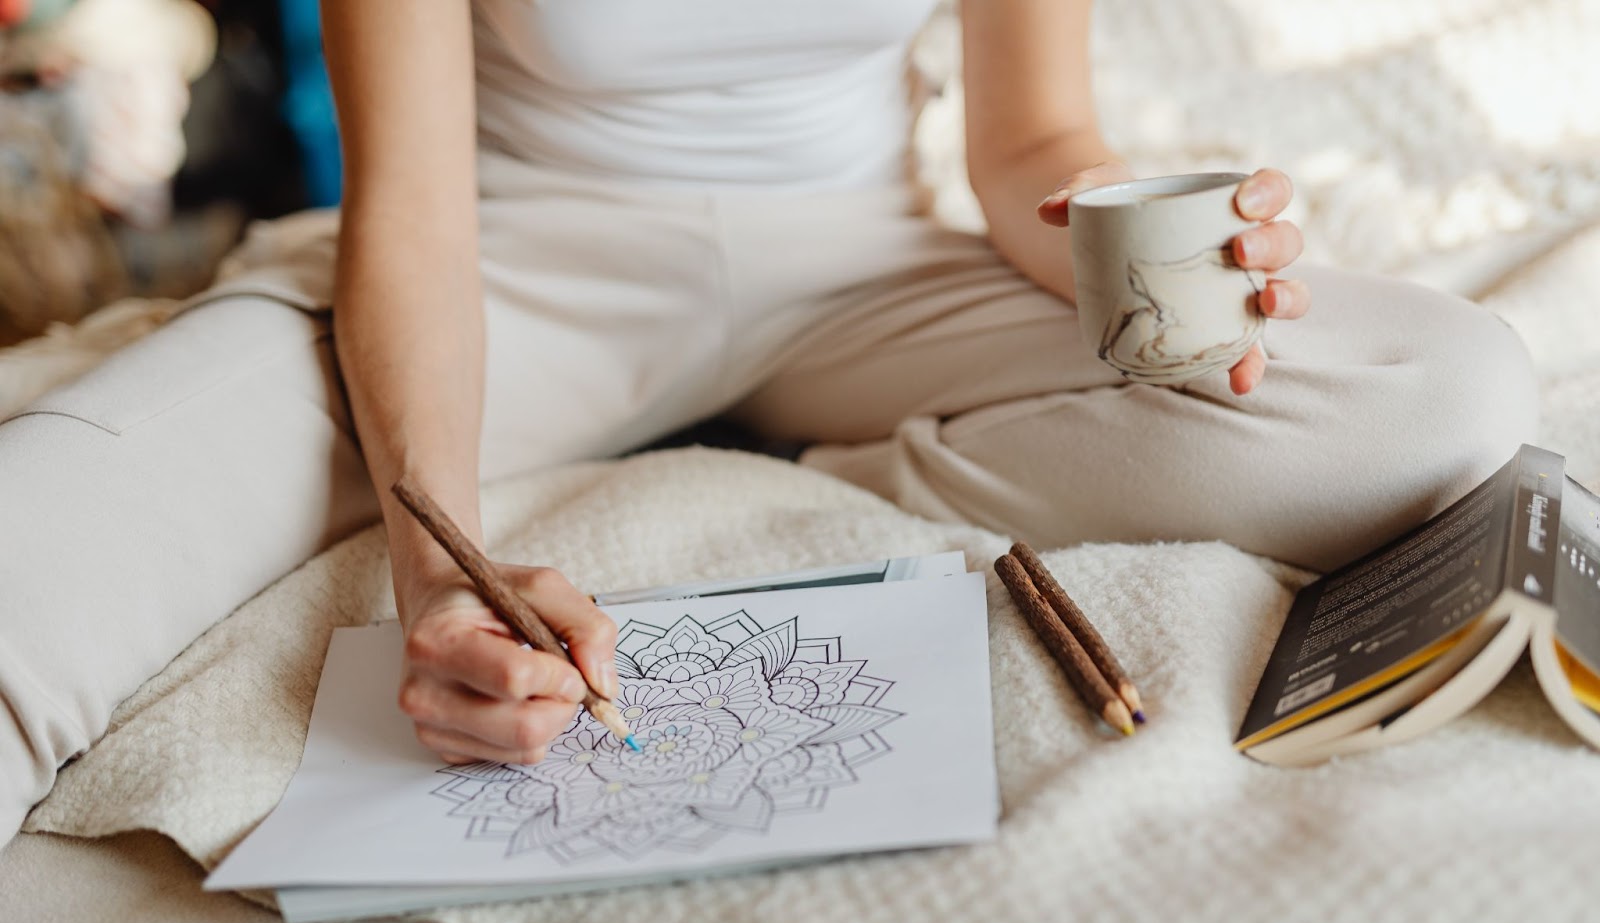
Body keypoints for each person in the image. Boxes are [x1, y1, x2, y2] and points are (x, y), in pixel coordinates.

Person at [0, 0, 1537, 847]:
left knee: (1439, 388)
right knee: (41, 536)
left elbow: (1027, 143)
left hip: (859, 270)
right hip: (514, 273)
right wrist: (432, 554)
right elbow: (405, 217)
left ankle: (850, 467)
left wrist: (1152, 253)